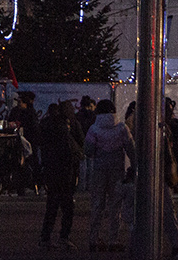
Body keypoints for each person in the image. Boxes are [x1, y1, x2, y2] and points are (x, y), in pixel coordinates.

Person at [83, 99, 133, 251]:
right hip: (117, 170)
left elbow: (88, 151)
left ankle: (93, 239)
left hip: (99, 169)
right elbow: (131, 148)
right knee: (115, 205)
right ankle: (113, 239)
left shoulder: (93, 129)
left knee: (97, 204)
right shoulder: (122, 128)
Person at [38, 101, 83, 249]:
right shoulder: (65, 128)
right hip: (65, 171)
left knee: (51, 206)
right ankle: (63, 237)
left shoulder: (46, 125)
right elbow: (73, 148)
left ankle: (45, 238)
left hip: (51, 170)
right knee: (67, 207)